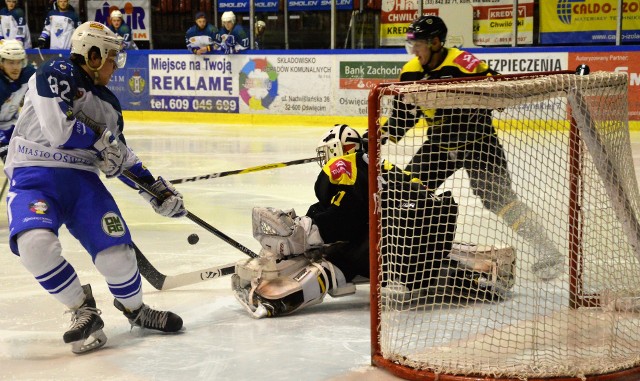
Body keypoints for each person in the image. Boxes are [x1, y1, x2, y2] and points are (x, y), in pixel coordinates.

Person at [4, 21, 185, 354]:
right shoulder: (54, 71)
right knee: (34, 246)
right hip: (32, 176)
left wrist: (155, 191)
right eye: (113, 57)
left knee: (118, 255)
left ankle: (136, 311)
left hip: (82, 180)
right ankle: (81, 308)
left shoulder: (109, 106)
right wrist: (100, 141)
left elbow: (121, 155)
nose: (115, 66)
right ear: (93, 54)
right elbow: (59, 131)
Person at [232, 125, 514, 318]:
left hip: (397, 240)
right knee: (416, 260)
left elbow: (342, 214)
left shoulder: (345, 163)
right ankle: (480, 273)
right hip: (432, 225)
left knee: (338, 261)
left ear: (336, 149)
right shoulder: (377, 163)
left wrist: (311, 231)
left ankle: (278, 298)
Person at [373, 15, 563, 281]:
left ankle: (548, 251)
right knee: (405, 190)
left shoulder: (464, 63)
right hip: (439, 144)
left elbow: (500, 90)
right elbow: (404, 116)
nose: (414, 51)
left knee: (500, 200)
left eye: (418, 45)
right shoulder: (411, 71)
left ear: (436, 42)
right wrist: (376, 135)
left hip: (479, 143)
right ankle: (402, 254)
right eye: (411, 45)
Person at [0, 39, 35, 163]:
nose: (15, 67)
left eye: (18, 62)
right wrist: (2, 144)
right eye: (10, 62)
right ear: (1, 63)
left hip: (13, 122)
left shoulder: (28, 73)